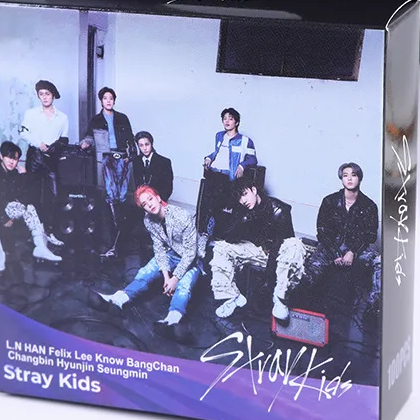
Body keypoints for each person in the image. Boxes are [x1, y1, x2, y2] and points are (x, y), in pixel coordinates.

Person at [90, 185, 203, 341]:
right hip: (171, 254)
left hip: (192, 259)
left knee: (183, 286)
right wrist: (166, 277)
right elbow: (159, 249)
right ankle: (118, 300)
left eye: (150, 199)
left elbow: (190, 253)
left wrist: (175, 278)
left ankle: (172, 320)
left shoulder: (182, 216)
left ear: (158, 198)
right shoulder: (148, 220)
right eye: (144, 204)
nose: (149, 205)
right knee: (145, 272)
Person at [209, 176, 306, 322]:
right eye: (239, 198)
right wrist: (243, 220)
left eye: (244, 194)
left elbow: (280, 245)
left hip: (278, 255)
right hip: (258, 251)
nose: (243, 200)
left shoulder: (280, 210)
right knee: (221, 247)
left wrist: (268, 282)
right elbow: (228, 237)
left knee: (295, 244)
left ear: (254, 190)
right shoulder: (242, 209)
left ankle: (280, 300)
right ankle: (231, 297)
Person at [300, 162, 381, 311]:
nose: (349, 179)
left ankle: (372, 308)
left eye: (353, 175)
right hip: (330, 247)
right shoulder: (329, 201)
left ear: (360, 178)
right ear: (341, 179)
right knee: (309, 277)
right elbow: (322, 231)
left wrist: (353, 252)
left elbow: (370, 235)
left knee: (379, 262)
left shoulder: (369, 205)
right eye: (345, 175)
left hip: (357, 249)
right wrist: (335, 253)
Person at [0, 141, 62, 273]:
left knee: (30, 208)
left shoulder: (14, 173)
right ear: (1, 156)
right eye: (9, 157)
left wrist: (24, 176)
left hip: (5, 207)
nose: (12, 162)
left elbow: (25, 198)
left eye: (16, 159)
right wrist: (3, 218)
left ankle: (41, 247)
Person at [80, 87, 136, 258]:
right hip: (105, 158)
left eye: (111, 98)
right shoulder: (96, 120)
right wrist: (85, 143)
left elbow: (131, 139)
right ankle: (109, 238)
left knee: (122, 197)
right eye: (105, 98)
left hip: (122, 157)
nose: (108, 101)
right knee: (109, 196)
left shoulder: (122, 118)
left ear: (114, 100)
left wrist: (130, 156)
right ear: (101, 101)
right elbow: (89, 137)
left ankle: (122, 238)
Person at [19, 79, 69, 233]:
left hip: (52, 159)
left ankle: (49, 231)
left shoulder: (62, 117)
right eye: (41, 94)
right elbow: (23, 132)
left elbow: (64, 138)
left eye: (47, 94)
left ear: (53, 95)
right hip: (34, 156)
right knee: (32, 193)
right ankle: (33, 233)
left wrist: (53, 148)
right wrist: (39, 143)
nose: (45, 97)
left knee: (52, 195)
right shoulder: (31, 113)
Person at [199, 107, 257, 235]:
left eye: (230, 119)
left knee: (217, 203)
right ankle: (202, 229)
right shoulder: (219, 135)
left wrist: (242, 165)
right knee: (205, 202)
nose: (227, 121)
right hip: (213, 172)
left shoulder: (244, 141)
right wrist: (209, 158)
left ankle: (212, 231)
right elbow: (217, 152)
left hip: (227, 177)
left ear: (237, 122)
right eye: (224, 118)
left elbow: (253, 159)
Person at [132, 131, 174, 202]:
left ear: (151, 144)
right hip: (143, 202)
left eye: (147, 144)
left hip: (159, 201)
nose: (144, 148)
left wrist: (158, 202)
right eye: (141, 145)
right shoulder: (136, 161)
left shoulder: (164, 162)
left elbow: (168, 187)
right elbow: (137, 185)